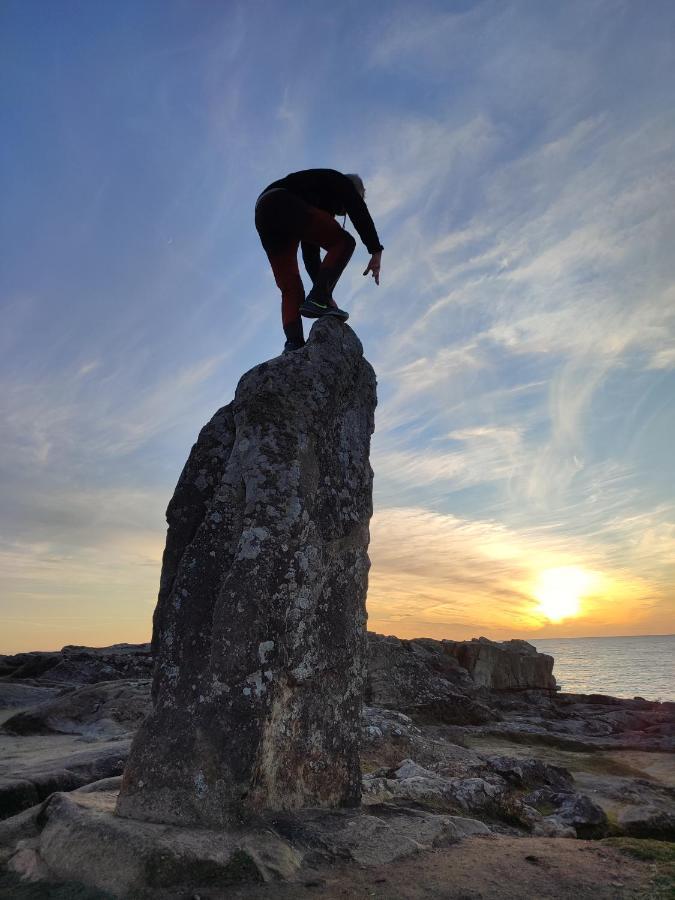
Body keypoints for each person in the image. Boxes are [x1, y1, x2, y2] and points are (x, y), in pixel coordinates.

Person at [255, 168, 383, 352]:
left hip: (265, 211)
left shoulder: (317, 196)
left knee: (290, 285)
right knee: (344, 242)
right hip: (283, 201)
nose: (344, 212)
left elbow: (311, 255)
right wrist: (375, 250)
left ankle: (294, 343)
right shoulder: (340, 181)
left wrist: (325, 295)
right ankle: (317, 300)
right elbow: (358, 209)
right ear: (356, 191)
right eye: (346, 207)